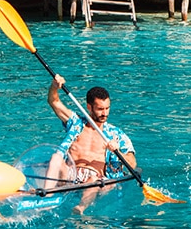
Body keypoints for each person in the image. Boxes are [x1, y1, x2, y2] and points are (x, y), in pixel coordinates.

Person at [45, 73, 137, 213]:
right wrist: (54, 87)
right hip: (70, 175)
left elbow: (132, 163)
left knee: (93, 179)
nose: (104, 113)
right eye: (100, 109)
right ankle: (46, 197)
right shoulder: (75, 123)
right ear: (89, 107)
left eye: (107, 108)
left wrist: (117, 152)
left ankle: (81, 207)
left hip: (95, 179)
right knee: (55, 157)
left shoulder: (116, 135)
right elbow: (54, 102)